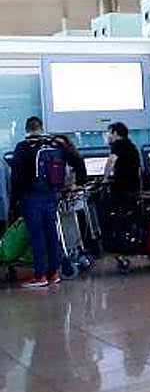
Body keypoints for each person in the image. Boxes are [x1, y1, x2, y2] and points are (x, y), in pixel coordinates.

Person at [10, 116, 85, 287]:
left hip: (32, 197)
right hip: (52, 195)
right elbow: (78, 160)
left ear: (27, 130)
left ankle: (40, 275)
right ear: (41, 127)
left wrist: (15, 201)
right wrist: (77, 183)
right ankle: (54, 273)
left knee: (37, 235)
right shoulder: (55, 144)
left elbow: (16, 177)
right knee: (52, 233)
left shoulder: (23, 147)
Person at [104, 122, 142, 196]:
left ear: (115, 133)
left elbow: (111, 162)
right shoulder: (131, 145)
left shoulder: (118, 145)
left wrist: (105, 179)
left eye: (109, 133)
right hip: (133, 185)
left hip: (122, 187)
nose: (108, 136)